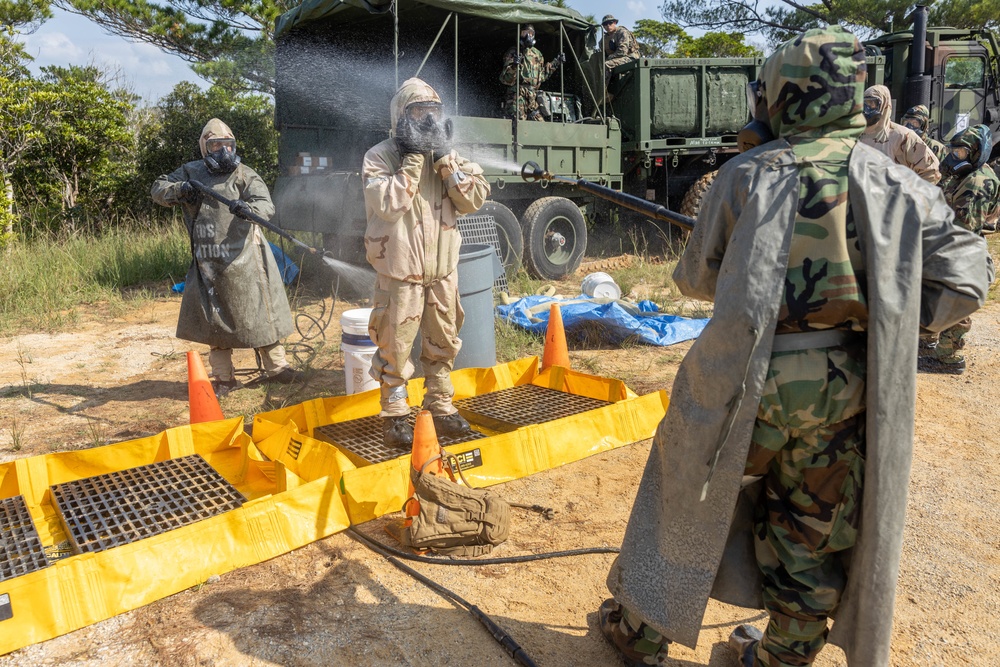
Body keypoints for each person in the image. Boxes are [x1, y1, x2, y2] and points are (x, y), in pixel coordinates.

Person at [599, 27, 992, 667]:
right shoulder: (898, 182)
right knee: (812, 521)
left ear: (781, 94)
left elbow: (696, 279)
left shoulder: (747, 174)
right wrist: (895, 319)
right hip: (847, 386)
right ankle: (783, 656)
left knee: (684, 490)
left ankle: (640, 631)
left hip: (740, 380)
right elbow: (969, 276)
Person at [362, 77, 490, 449]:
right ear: (401, 116)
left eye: (434, 113)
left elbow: (475, 199)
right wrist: (415, 160)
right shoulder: (380, 156)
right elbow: (388, 204)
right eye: (419, 113)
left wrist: (447, 163)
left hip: (442, 271)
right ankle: (395, 416)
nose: (429, 122)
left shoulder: (447, 157)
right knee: (395, 347)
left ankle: (440, 407)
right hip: (399, 271)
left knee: (444, 342)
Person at [151, 118, 304, 398]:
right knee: (216, 322)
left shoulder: (244, 173)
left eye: (227, 144)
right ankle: (223, 378)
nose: (222, 150)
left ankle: (278, 369)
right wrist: (181, 189)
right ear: (204, 147)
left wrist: (247, 208)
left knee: (262, 315)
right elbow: (158, 189)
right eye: (215, 145)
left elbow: (265, 205)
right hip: (209, 261)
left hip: (249, 260)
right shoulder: (190, 172)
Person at [920, 124, 999, 374]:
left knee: (955, 296)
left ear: (976, 152)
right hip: (947, 243)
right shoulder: (962, 175)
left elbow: (966, 228)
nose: (955, 156)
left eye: (962, 152)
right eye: (954, 150)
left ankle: (949, 357)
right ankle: (933, 344)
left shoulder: (976, 182)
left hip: (961, 248)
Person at [860, 84, 941, 183]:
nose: (867, 108)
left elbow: (931, 171)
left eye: (872, 103)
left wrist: (911, 196)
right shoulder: (854, 134)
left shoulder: (902, 136)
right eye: (865, 104)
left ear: (884, 105)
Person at [500, 24, 566, 121]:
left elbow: (542, 76)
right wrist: (514, 66)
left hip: (532, 97)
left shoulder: (537, 54)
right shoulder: (514, 52)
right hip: (517, 95)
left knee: (540, 124)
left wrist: (556, 62)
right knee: (519, 124)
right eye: (525, 33)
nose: (528, 36)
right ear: (520, 34)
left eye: (531, 33)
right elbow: (505, 80)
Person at [600, 15, 639, 87]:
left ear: (615, 23)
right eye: (605, 24)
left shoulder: (622, 32)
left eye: (610, 23)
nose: (608, 26)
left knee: (607, 65)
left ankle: (603, 93)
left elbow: (622, 51)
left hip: (630, 58)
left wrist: (610, 57)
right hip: (616, 59)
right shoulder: (604, 39)